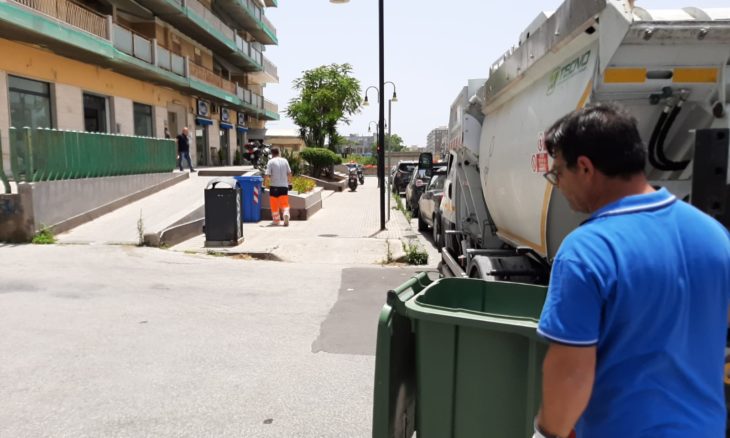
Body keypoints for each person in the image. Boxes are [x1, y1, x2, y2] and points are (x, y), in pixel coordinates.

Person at [534, 103, 730, 438]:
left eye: (558, 173)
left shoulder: (587, 250)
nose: (558, 184)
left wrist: (546, 433)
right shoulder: (715, 235)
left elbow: (571, 373)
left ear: (584, 168)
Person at [264, 147, 292, 226]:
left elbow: (267, 174)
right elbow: (289, 173)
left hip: (274, 186)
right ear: (279, 152)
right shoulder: (285, 160)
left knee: (274, 204)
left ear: (272, 153)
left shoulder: (271, 162)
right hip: (284, 186)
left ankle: (276, 220)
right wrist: (290, 183)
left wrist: (264, 184)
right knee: (284, 203)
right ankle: (286, 213)